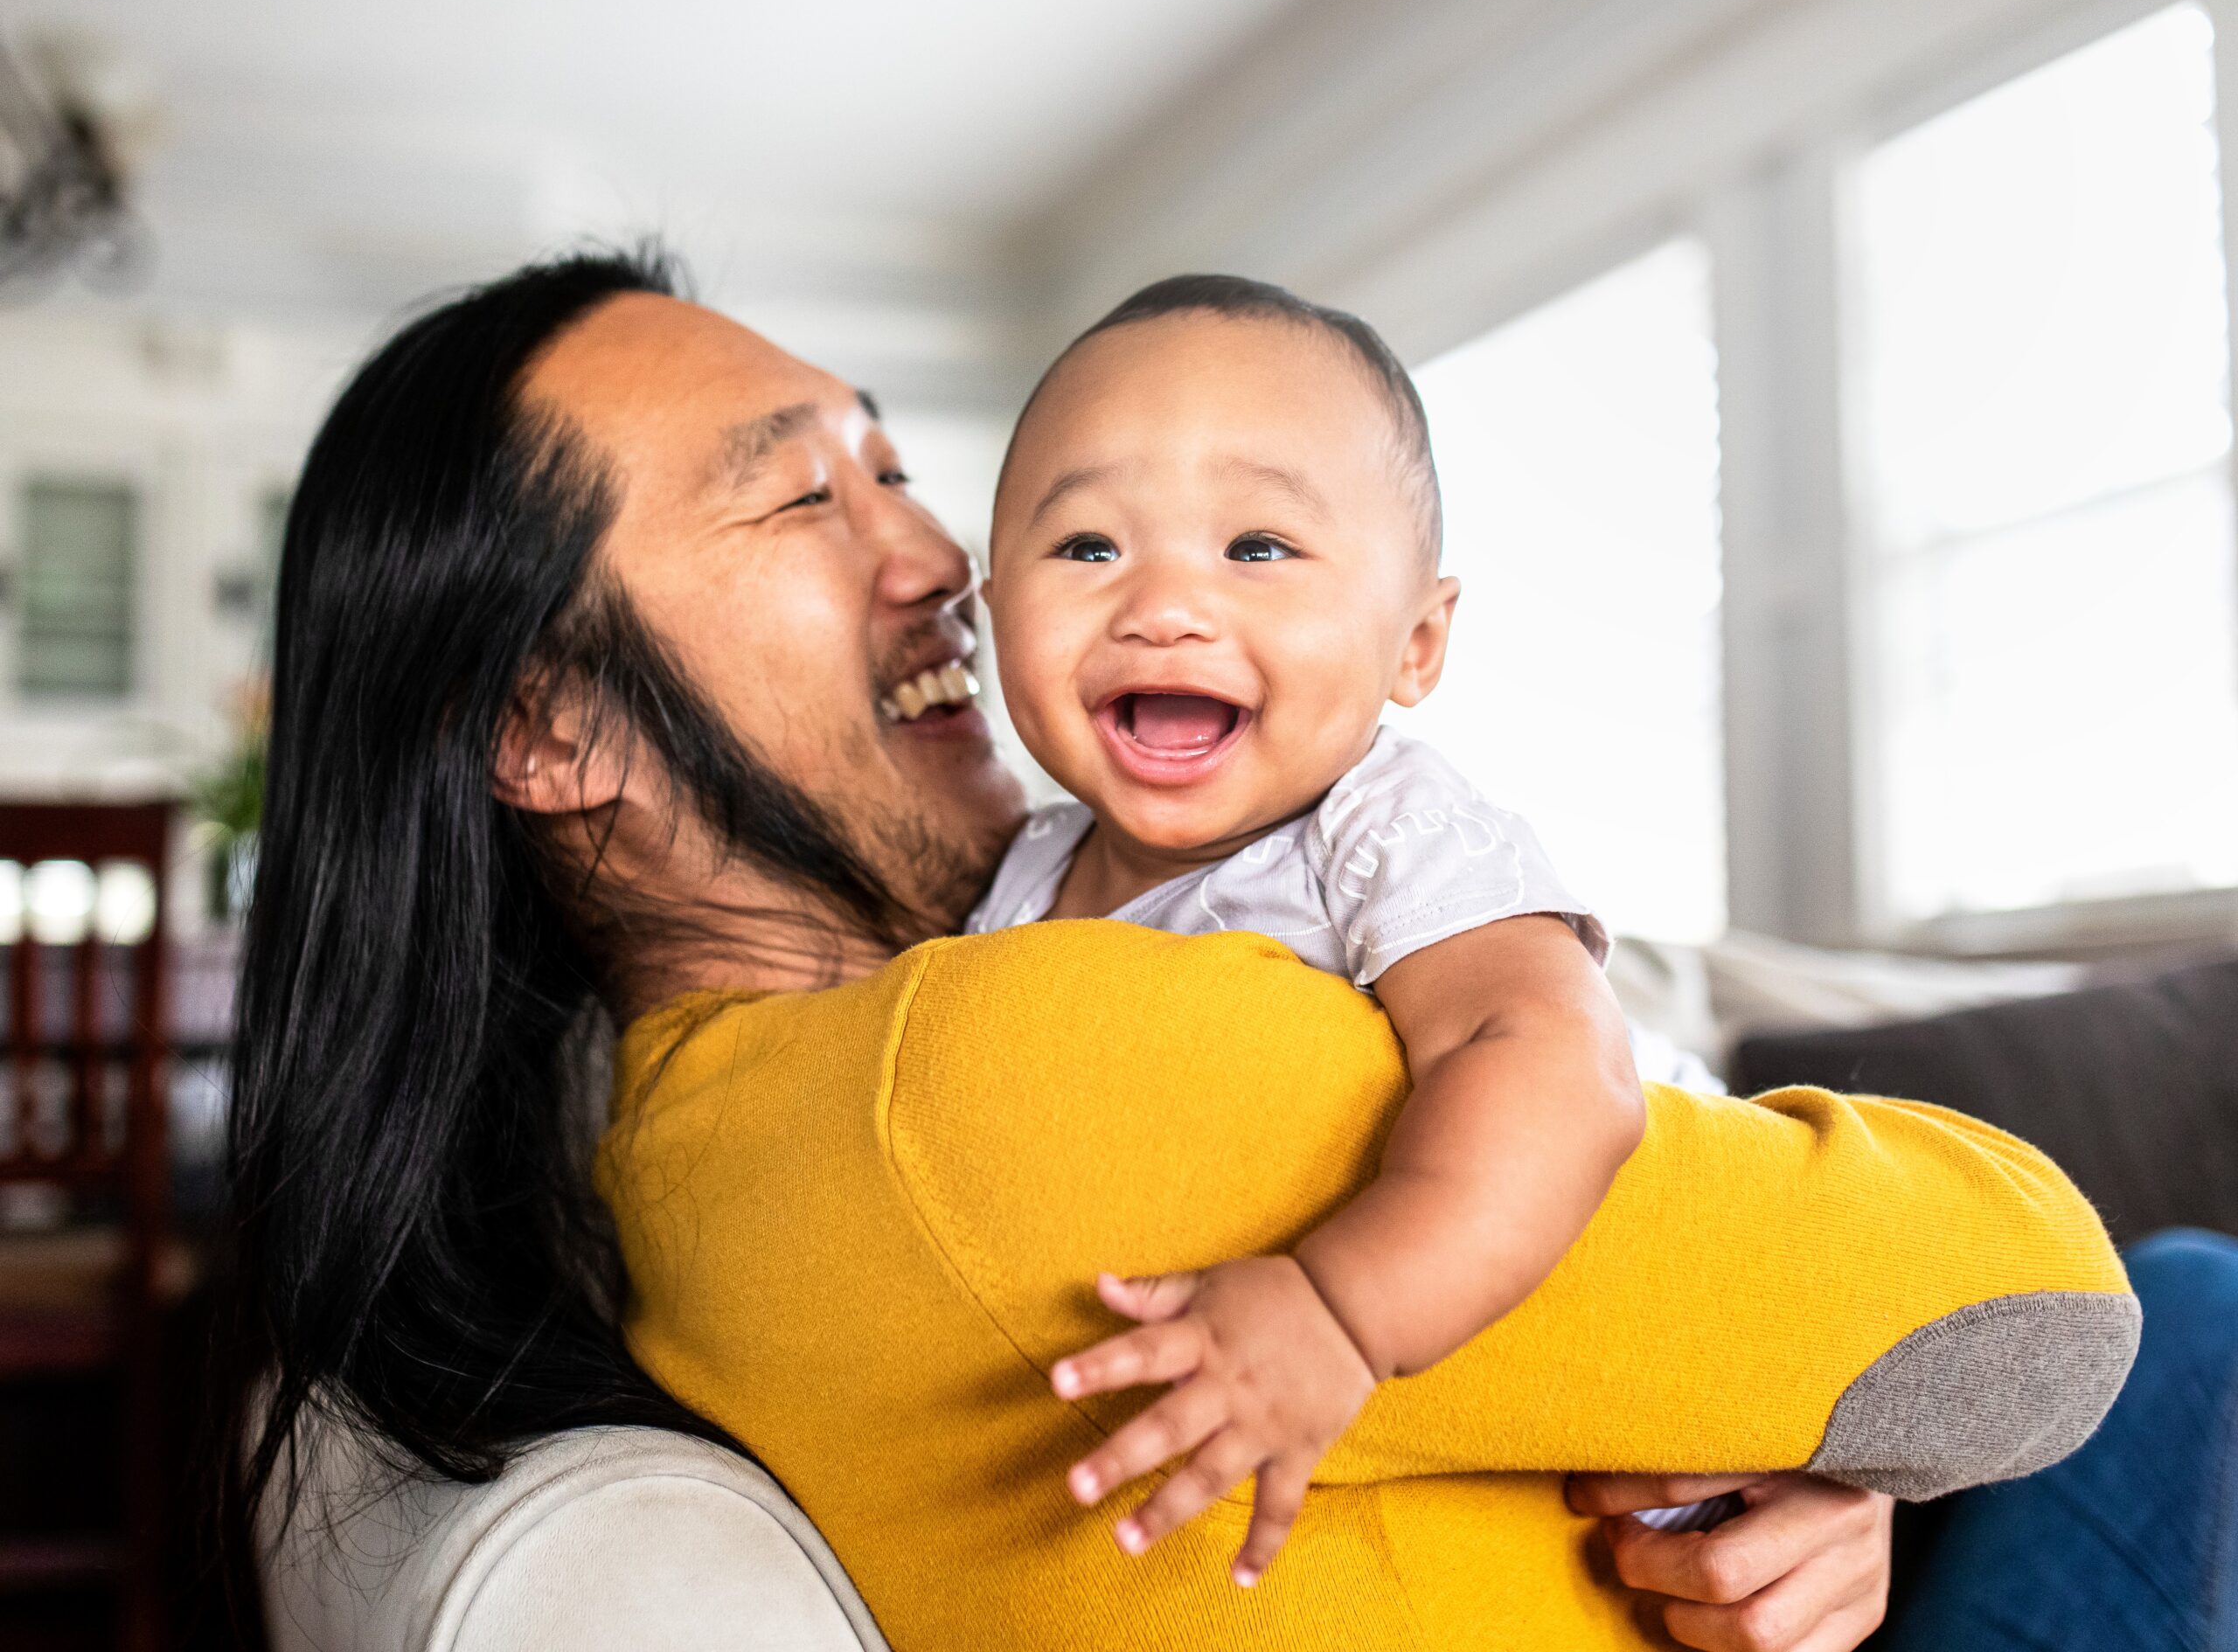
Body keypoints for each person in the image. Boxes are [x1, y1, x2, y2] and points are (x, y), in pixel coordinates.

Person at [219, 246, 2222, 1651]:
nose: (935, 558)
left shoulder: (669, 1153)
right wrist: (1863, 1428)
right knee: (2195, 1309)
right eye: (798, 500)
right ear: (548, 728)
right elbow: (2031, 1302)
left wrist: (1807, 1471)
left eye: (901, 468)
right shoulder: (1017, 1075)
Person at [970, 274, 1647, 1582]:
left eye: (1260, 548)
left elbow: (1557, 1059)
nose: (1162, 605)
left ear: (1417, 642)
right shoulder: (1017, 884)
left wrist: (1342, 1309)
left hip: (1671, 1345)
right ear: (998, 612)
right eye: (1087, 548)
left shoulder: (1383, 827)